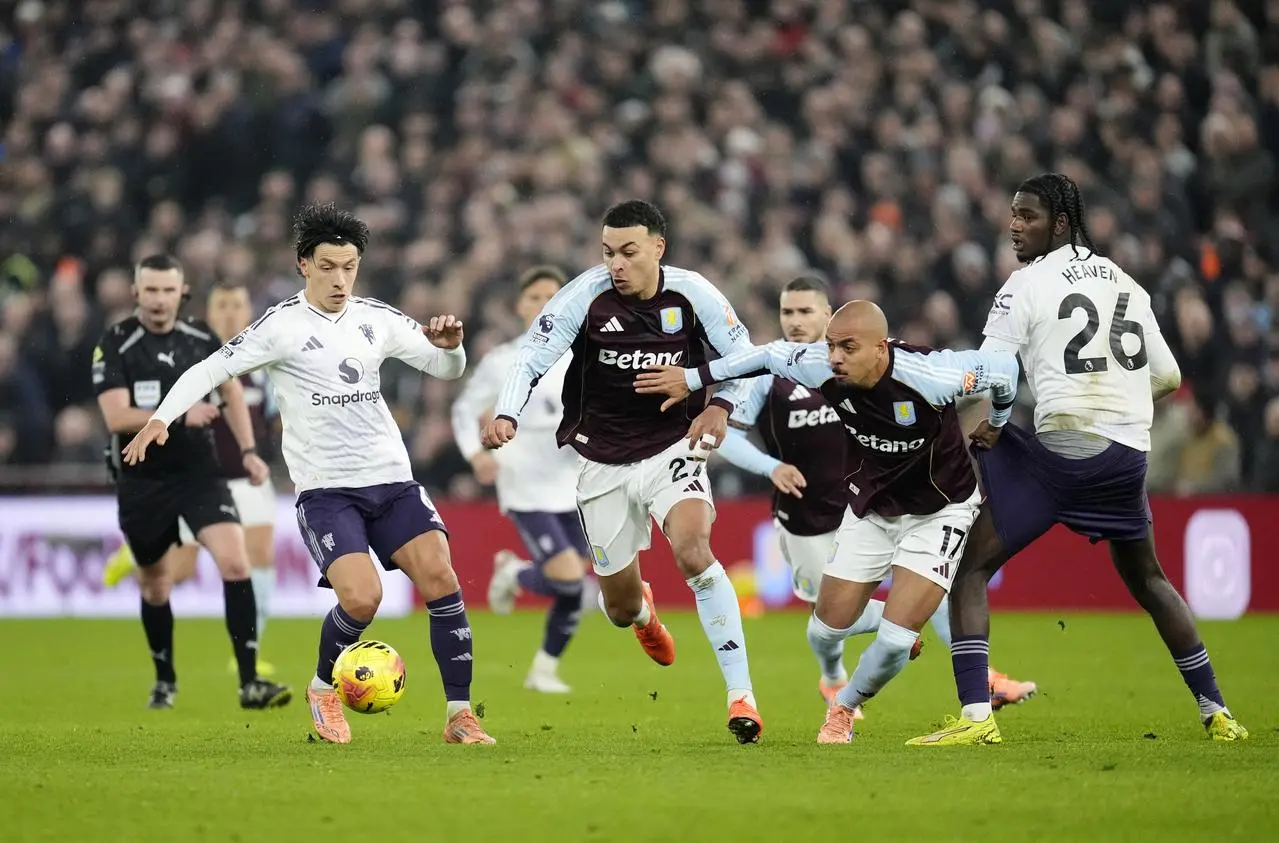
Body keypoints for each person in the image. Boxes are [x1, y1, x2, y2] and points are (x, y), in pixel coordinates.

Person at [121, 204, 495, 746]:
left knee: (443, 579)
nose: (340, 278)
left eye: (349, 266)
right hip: (327, 492)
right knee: (363, 599)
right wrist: (160, 419)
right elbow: (209, 369)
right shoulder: (281, 327)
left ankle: (460, 715)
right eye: (328, 266)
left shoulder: (377, 318)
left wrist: (454, 346)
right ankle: (322, 689)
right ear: (304, 265)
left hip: (391, 479)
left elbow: (445, 368)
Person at [907, 174, 1249, 745]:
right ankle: (1218, 714)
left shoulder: (1023, 286)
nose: (1015, 225)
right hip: (1127, 455)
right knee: (1149, 580)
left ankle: (976, 720)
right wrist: (1115, 403)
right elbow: (1167, 376)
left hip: (1065, 449)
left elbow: (991, 377)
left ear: (1060, 223)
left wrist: (987, 422)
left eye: (1028, 217)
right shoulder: (1126, 282)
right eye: (1013, 214)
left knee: (969, 568)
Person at [634, 300, 1020, 744]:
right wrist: (692, 379)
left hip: (939, 510)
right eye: (832, 346)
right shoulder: (817, 365)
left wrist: (998, 420)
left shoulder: (933, 373)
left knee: (896, 640)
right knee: (824, 627)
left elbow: (1003, 371)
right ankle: (845, 669)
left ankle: (844, 708)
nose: (835, 357)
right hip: (871, 508)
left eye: (848, 348)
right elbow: (762, 356)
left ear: (880, 347)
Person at [480, 199, 766, 744]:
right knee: (618, 607)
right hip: (601, 460)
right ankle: (644, 616)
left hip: (671, 448)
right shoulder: (584, 297)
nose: (616, 263)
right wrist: (507, 413)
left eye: (629, 252)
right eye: (608, 252)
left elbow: (745, 359)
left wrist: (717, 405)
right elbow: (530, 358)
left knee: (693, 551)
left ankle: (741, 695)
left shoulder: (694, 294)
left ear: (659, 248)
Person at [717, 277, 1036, 715]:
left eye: (806, 312)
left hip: (864, 501)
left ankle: (981, 676)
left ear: (829, 314)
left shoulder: (856, 365)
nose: (794, 321)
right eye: (787, 312)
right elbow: (727, 436)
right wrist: (770, 467)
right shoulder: (772, 375)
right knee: (826, 625)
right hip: (805, 515)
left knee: (926, 597)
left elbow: (954, 383)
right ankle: (833, 676)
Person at [92, 254, 289, 710]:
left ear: (181, 293)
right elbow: (116, 415)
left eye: (168, 290)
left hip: (202, 476)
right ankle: (165, 679)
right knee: (157, 584)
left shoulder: (200, 337)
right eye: (151, 290)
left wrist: (247, 452)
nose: (160, 299)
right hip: (144, 480)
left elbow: (232, 393)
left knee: (236, 564)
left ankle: (248, 683)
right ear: (136, 292)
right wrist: (178, 415)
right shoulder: (116, 343)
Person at [451, 265, 588, 694]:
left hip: (576, 483)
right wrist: (475, 455)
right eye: (535, 297)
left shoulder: (583, 358)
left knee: (573, 587)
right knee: (569, 578)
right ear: (520, 306)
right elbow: (463, 410)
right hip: (526, 483)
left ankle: (543, 669)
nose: (545, 303)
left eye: (553, 296)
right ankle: (514, 574)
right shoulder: (502, 360)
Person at [206, 280, 281, 675]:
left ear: (249, 310)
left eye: (237, 304)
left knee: (261, 557)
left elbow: (276, 420)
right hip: (203, 482)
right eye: (222, 305)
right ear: (209, 312)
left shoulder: (263, 365)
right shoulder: (196, 361)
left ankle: (248, 650)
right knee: (176, 570)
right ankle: (134, 553)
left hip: (249, 479)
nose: (230, 312)